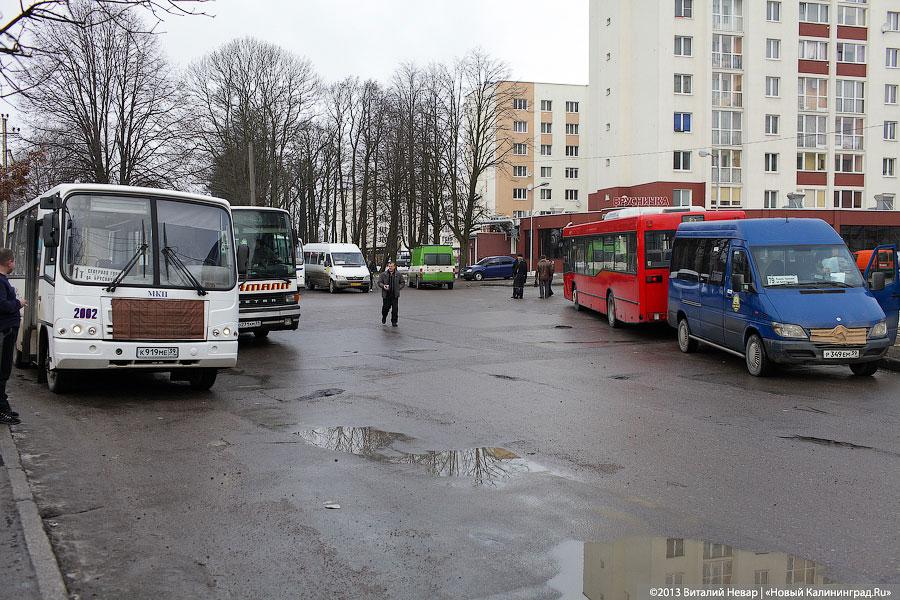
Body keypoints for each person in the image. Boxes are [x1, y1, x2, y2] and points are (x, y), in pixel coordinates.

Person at [0, 249, 24, 426]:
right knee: (2, 371)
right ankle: (2, 411)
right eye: (14, 261)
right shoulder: (1, 281)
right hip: (5, 331)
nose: (14, 264)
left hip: (7, 330)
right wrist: (18, 303)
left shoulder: (3, 280)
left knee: (4, 371)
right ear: (9, 262)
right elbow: (2, 305)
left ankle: (4, 406)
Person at [378, 260, 405, 326]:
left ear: (394, 267)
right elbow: (379, 282)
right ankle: (384, 317)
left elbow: (402, 282)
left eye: (391, 266)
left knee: (395, 309)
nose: (390, 267)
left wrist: (398, 287)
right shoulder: (383, 274)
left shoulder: (398, 274)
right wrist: (383, 286)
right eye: (389, 266)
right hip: (386, 295)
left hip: (394, 295)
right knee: (385, 308)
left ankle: (394, 322)